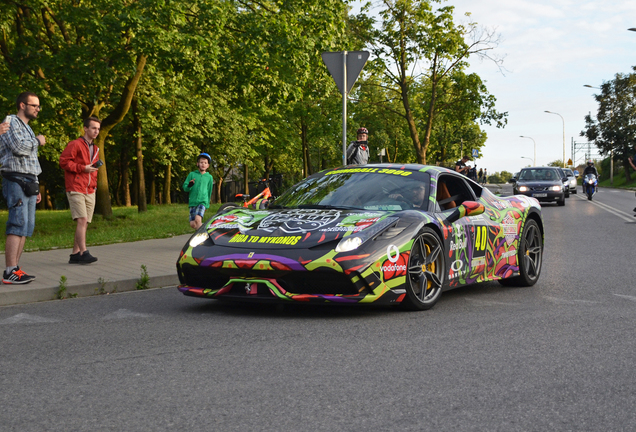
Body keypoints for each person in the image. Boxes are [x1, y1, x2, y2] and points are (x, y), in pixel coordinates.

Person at [0, 92, 46, 284]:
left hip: (29, 181)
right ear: (22, 105)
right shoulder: (11, 121)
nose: (37, 109)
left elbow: (30, 159)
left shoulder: (27, 128)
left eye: (38, 106)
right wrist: (37, 141)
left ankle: (16, 270)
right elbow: (19, 148)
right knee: (17, 224)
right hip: (15, 179)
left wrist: (36, 185)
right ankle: (9, 270)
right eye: (34, 105)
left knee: (27, 227)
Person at [59, 116, 102, 264]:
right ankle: (84, 253)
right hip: (76, 186)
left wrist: (94, 183)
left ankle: (75, 254)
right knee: (82, 220)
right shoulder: (75, 144)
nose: (96, 131)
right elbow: (63, 162)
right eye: (93, 128)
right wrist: (81, 168)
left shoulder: (96, 148)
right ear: (85, 128)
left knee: (84, 222)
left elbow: (93, 169)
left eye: (98, 128)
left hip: (90, 188)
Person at [183, 153, 214, 230]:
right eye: (201, 162)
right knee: (193, 224)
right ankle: (206, 231)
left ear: (208, 165)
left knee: (198, 219)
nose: (203, 164)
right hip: (193, 202)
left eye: (205, 163)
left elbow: (209, 190)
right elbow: (185, 188)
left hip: (202, 201)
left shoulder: (209, 177)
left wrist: (207, 204)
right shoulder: (192, 174)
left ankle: (203, 238)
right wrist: (189, 185)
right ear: (197, 164)